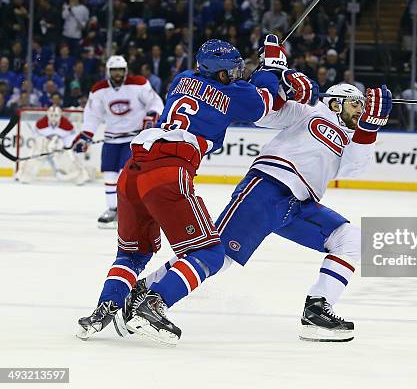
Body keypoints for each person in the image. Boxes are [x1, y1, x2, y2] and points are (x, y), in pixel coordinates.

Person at [75, 35, 318, 345]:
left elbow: (246, 90)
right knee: (210, 253)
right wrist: (274, 67)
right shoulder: (233, 93)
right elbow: (267, 102)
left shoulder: (182, 78)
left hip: (133, 170)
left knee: (133, 254)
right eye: (232, 69)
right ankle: (154, 304)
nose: (236, 74)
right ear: (219, 72)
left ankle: (104, 308)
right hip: (168, 171)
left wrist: (268, 73)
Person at [124, 82, 392, 343]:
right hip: (267, 187)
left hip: (300, 205)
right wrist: (284, 85)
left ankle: (317, 310)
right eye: (356, 103)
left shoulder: (352, 139)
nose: (362, 109)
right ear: (335, 102)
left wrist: (369, 129)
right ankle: (148, 294)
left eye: (364, 106)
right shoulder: (310, 111)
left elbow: (352, 170)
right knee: (219, 255)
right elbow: (264, 116)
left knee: (351, 240)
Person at [72, 55, 164, 228]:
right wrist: (86, 135)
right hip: (111, 138)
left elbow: (155, 102)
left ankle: (128, 210)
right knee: (109, 174)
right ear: (108, 71)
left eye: (120, 71)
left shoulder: (138, 84)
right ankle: (113, 209)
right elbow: (93, 115)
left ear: (126, 71)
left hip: (133, 139)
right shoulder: (99, 90)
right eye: (114, 71)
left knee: (125, 175)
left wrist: (152, 114)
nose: (117, 74)